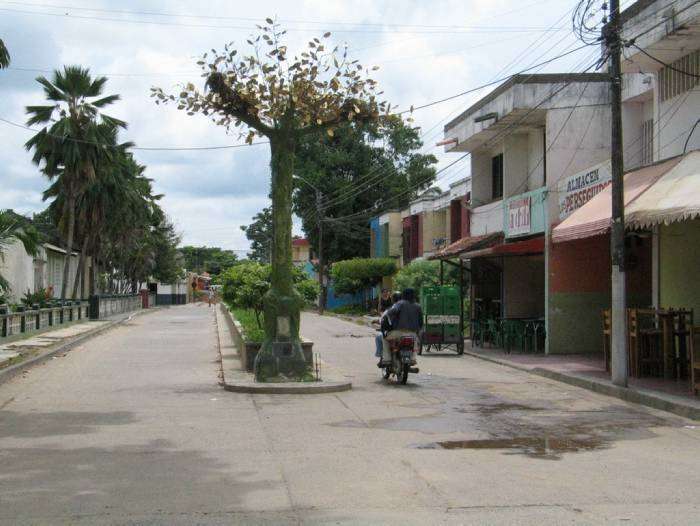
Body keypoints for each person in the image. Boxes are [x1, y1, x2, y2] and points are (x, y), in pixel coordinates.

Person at [380, 288, 422, 366]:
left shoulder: (400, 303)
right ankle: (412, 359)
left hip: (398, 332)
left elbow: (390, 313)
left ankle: (387, 359)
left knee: (384, 338)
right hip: (412, 333)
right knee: (414, 343)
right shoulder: (418, 306)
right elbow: (421, 322)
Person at [374, 291, 400, 362]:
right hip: (408, 332)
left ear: (392, 299)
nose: (385, 294)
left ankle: (386, 358)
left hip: (394, 333)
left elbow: (382, 319)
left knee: (382, 338)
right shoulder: (408, 308)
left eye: (387, 293)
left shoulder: (390, 309)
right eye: (384, 293)